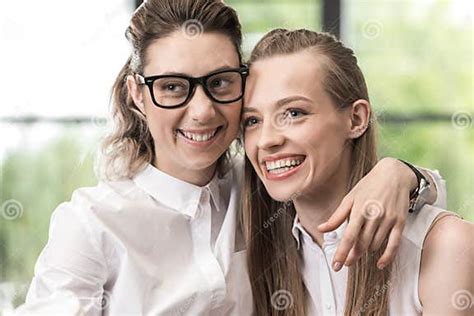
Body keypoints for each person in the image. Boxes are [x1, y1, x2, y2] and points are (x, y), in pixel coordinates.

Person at [16, 1, 446, 315]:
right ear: (137, 95)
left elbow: (418, 202)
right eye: (172, 87)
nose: (202, 110)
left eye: (219, 82)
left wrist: (400, 174)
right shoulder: (91, 223)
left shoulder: (262, 185)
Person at [242, 28, 473, 316]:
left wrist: (400, 171)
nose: (266, 140)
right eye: (252, 120)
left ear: (356, 119)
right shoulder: (250, 249)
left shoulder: (445, 246)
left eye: (294, 113)